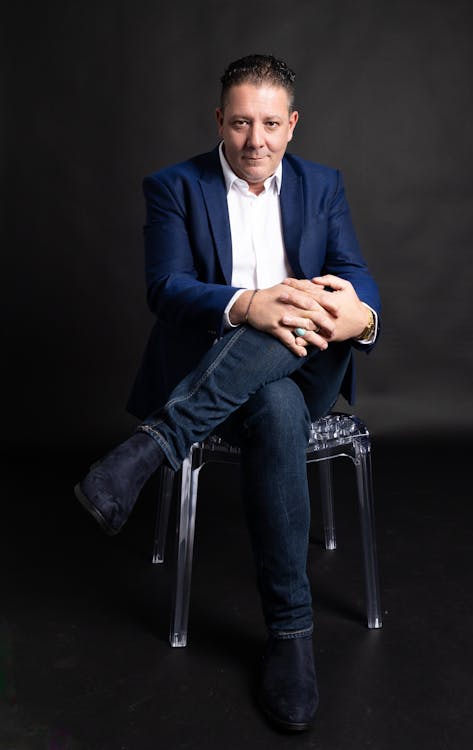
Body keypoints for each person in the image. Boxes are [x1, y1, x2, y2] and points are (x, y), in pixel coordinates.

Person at [75, 54, 381, 732]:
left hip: (312, 363)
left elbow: (357, 275)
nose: (256, 141)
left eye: (271, 123)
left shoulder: (323, 185)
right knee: (273, 405)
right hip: (220, 368)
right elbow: (167, 288)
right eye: (241, 122)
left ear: (292, 125)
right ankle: (292, 637)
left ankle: (149, 448)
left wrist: (365, 317)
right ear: (220, 119)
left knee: (300, 314)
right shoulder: (174, 186)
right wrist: (248, 305)